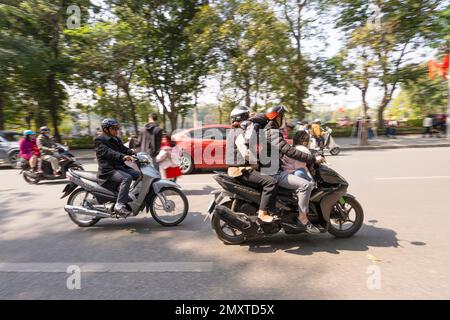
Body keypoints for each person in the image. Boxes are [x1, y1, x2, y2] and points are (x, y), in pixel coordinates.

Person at [264, 106, 325, 234]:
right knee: (306, 185)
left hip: (274, 169)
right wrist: (313, 159)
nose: (284, 120)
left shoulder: (270, 131)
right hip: (274, 173)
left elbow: (286, 150)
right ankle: (303, 218)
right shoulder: (272, 132)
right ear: (278, 118)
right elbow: (290, 151)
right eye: (283, 117)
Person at [226, 106, 278, 223]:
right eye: (248, 117)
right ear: (243, 118)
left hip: (239, 168)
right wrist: (256, 164)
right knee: (271, 182)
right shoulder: (239, 132)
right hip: (240, 170)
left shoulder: (235, 131)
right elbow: (245, 153)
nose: (250, 120)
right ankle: (262, 213)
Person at [94, 119, 139, 217]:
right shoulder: (99, 140)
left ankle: (133, 198)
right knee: (127, 178)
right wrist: (122, 156)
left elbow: (124, 149)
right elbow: (108, 152)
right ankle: (119, 205)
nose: (116, 130)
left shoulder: (116, 139)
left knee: (140, 175)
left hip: (120, 167)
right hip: (108, 170)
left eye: (117, 128)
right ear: (106, 130)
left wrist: (135, 153)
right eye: (113, 128)